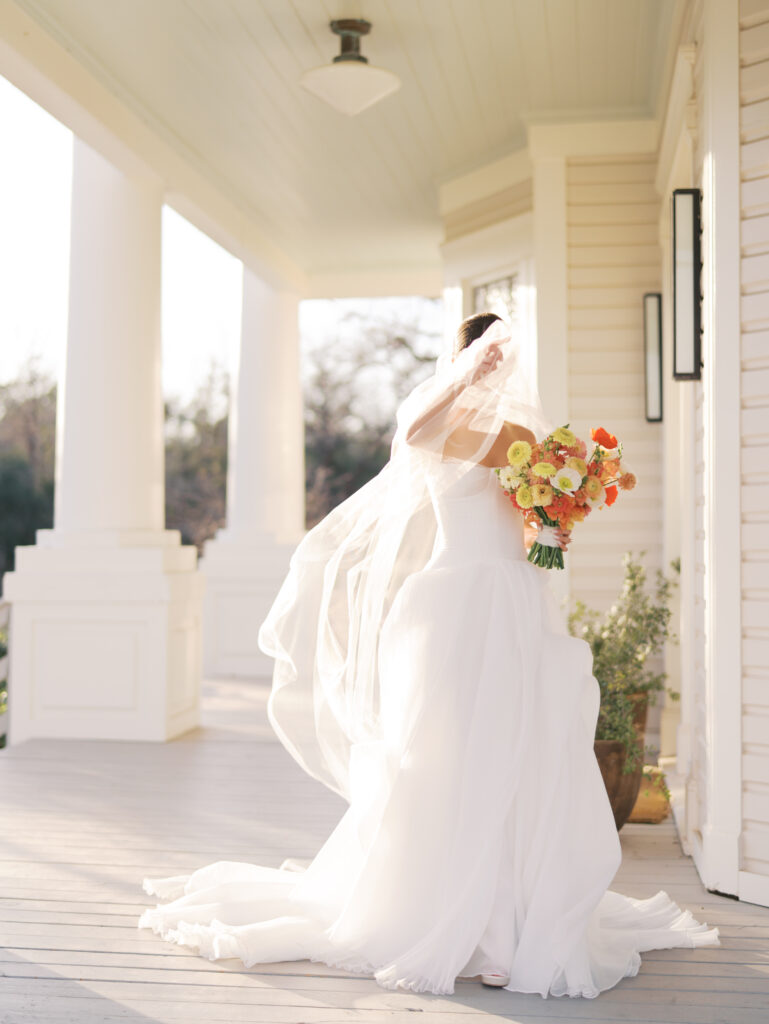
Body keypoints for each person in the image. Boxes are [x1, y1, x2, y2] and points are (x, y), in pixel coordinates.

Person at [138, 312, 720, 998]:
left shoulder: (530, 439)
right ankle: (454, 919)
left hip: (514, 602)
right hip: (453, 607)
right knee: (448, 755)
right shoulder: (442, 426)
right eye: (488, 355)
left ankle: (505, 926)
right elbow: (411, 432)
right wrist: (463, 377)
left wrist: (555, 519)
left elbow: (538, 520)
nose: (500, 367)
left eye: (503, 357)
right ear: (467, 356)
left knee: (517, 753)